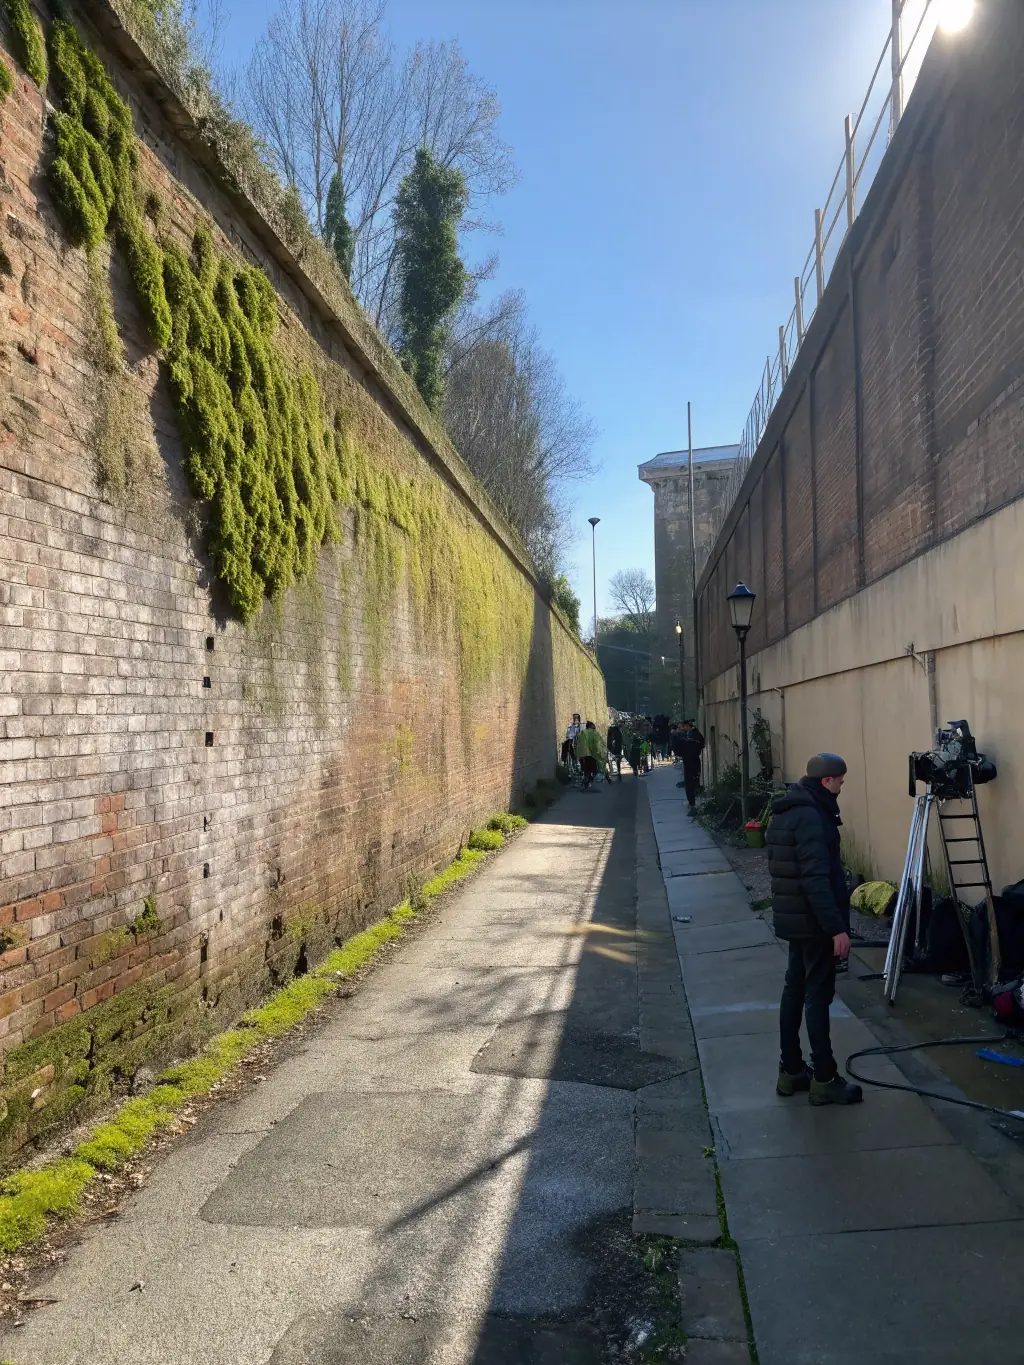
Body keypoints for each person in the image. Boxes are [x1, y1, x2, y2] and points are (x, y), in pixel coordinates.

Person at [767, 753, 863, 1106]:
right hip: (814, 922)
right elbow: (815, 879)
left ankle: (791, 1070)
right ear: (827, 781)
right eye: (840, 780)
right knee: (817, 995)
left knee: (794, 990)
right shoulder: (812, 817)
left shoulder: (788, 810)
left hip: (795, 920)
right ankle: (824, 1077)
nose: (842, 786)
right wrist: (836, 928)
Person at [676, 719, 705, 813]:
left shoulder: (695, 735)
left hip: (693, 761)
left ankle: (694, 802)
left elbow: (698, 747)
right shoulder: (688, 735)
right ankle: (691, 801)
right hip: (689, 761)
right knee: (689, 782)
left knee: (692, 782)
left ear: (687, 726)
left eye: (683, 727)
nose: (683, 729)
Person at [575, 720, 607, 790]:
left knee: (585, 769)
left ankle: (586, 780)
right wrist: (600, 753)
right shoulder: (594, 733)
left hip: (581, 754)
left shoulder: (582, 733)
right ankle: (590, 782)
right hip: (590, 754)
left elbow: (578, 745)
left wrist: (578, 755)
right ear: (592, 726)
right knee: (593, 769)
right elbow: (598, 744)